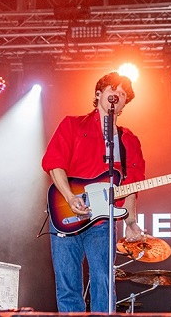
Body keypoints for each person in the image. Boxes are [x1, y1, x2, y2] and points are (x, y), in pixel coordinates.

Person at [42, 71, 146, 312]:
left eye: (122, 94)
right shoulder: (71, 124)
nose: (116, 95)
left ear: (123, 105)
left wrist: (131, 222)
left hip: (103, 220)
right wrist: (70, 196)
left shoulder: (128, 139)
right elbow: (54, 162)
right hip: (66, 212)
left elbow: (134, 183)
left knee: (103, 280)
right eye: (112, 89)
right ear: (98, 94)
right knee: (68, 285)